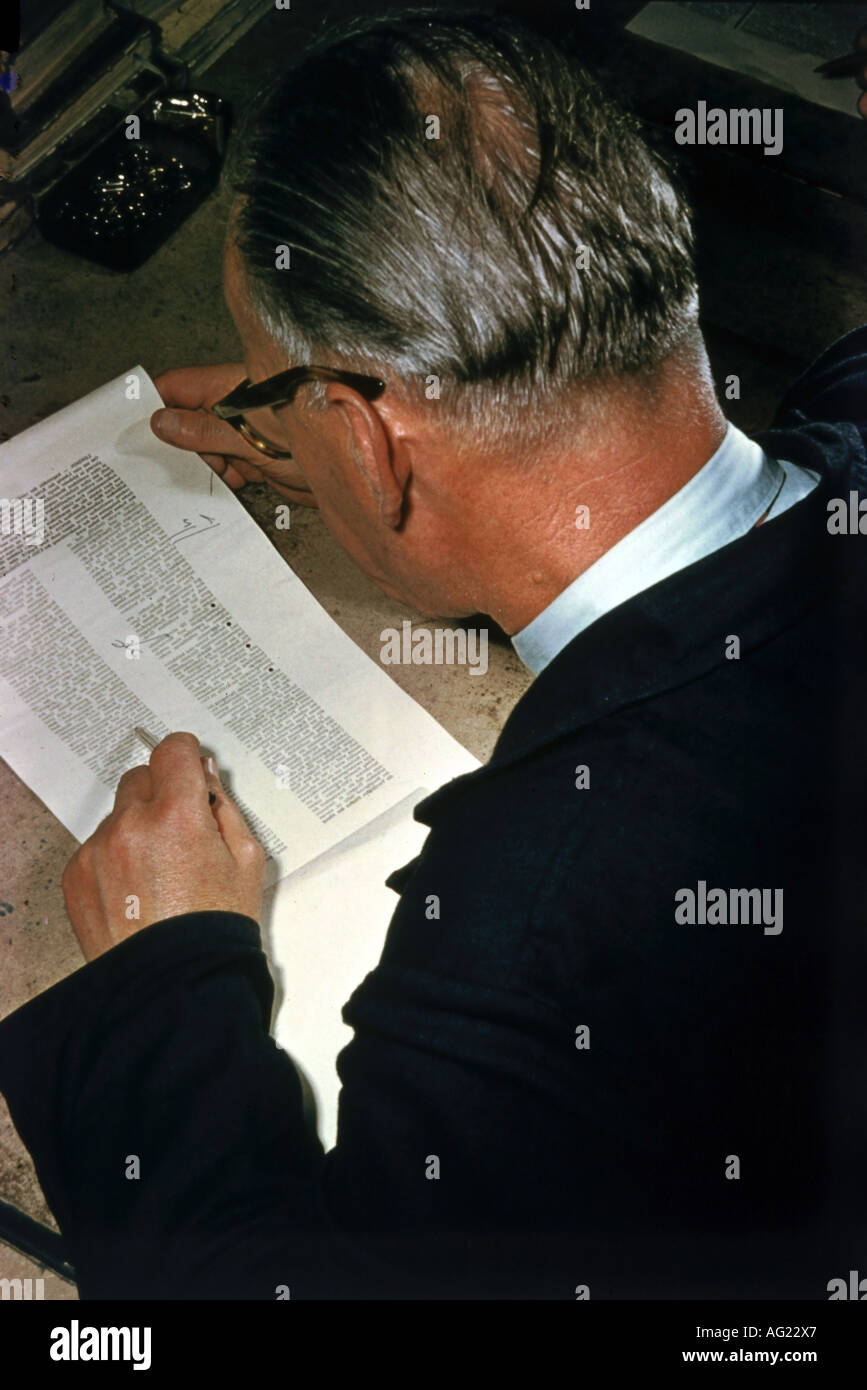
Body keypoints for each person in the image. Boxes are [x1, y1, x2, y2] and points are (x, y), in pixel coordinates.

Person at [0, 8, 865, 1300]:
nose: (258, 402)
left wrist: (159, 976)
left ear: (372, 441)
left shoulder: (538, 924)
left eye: (270, 381)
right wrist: (406, 504)